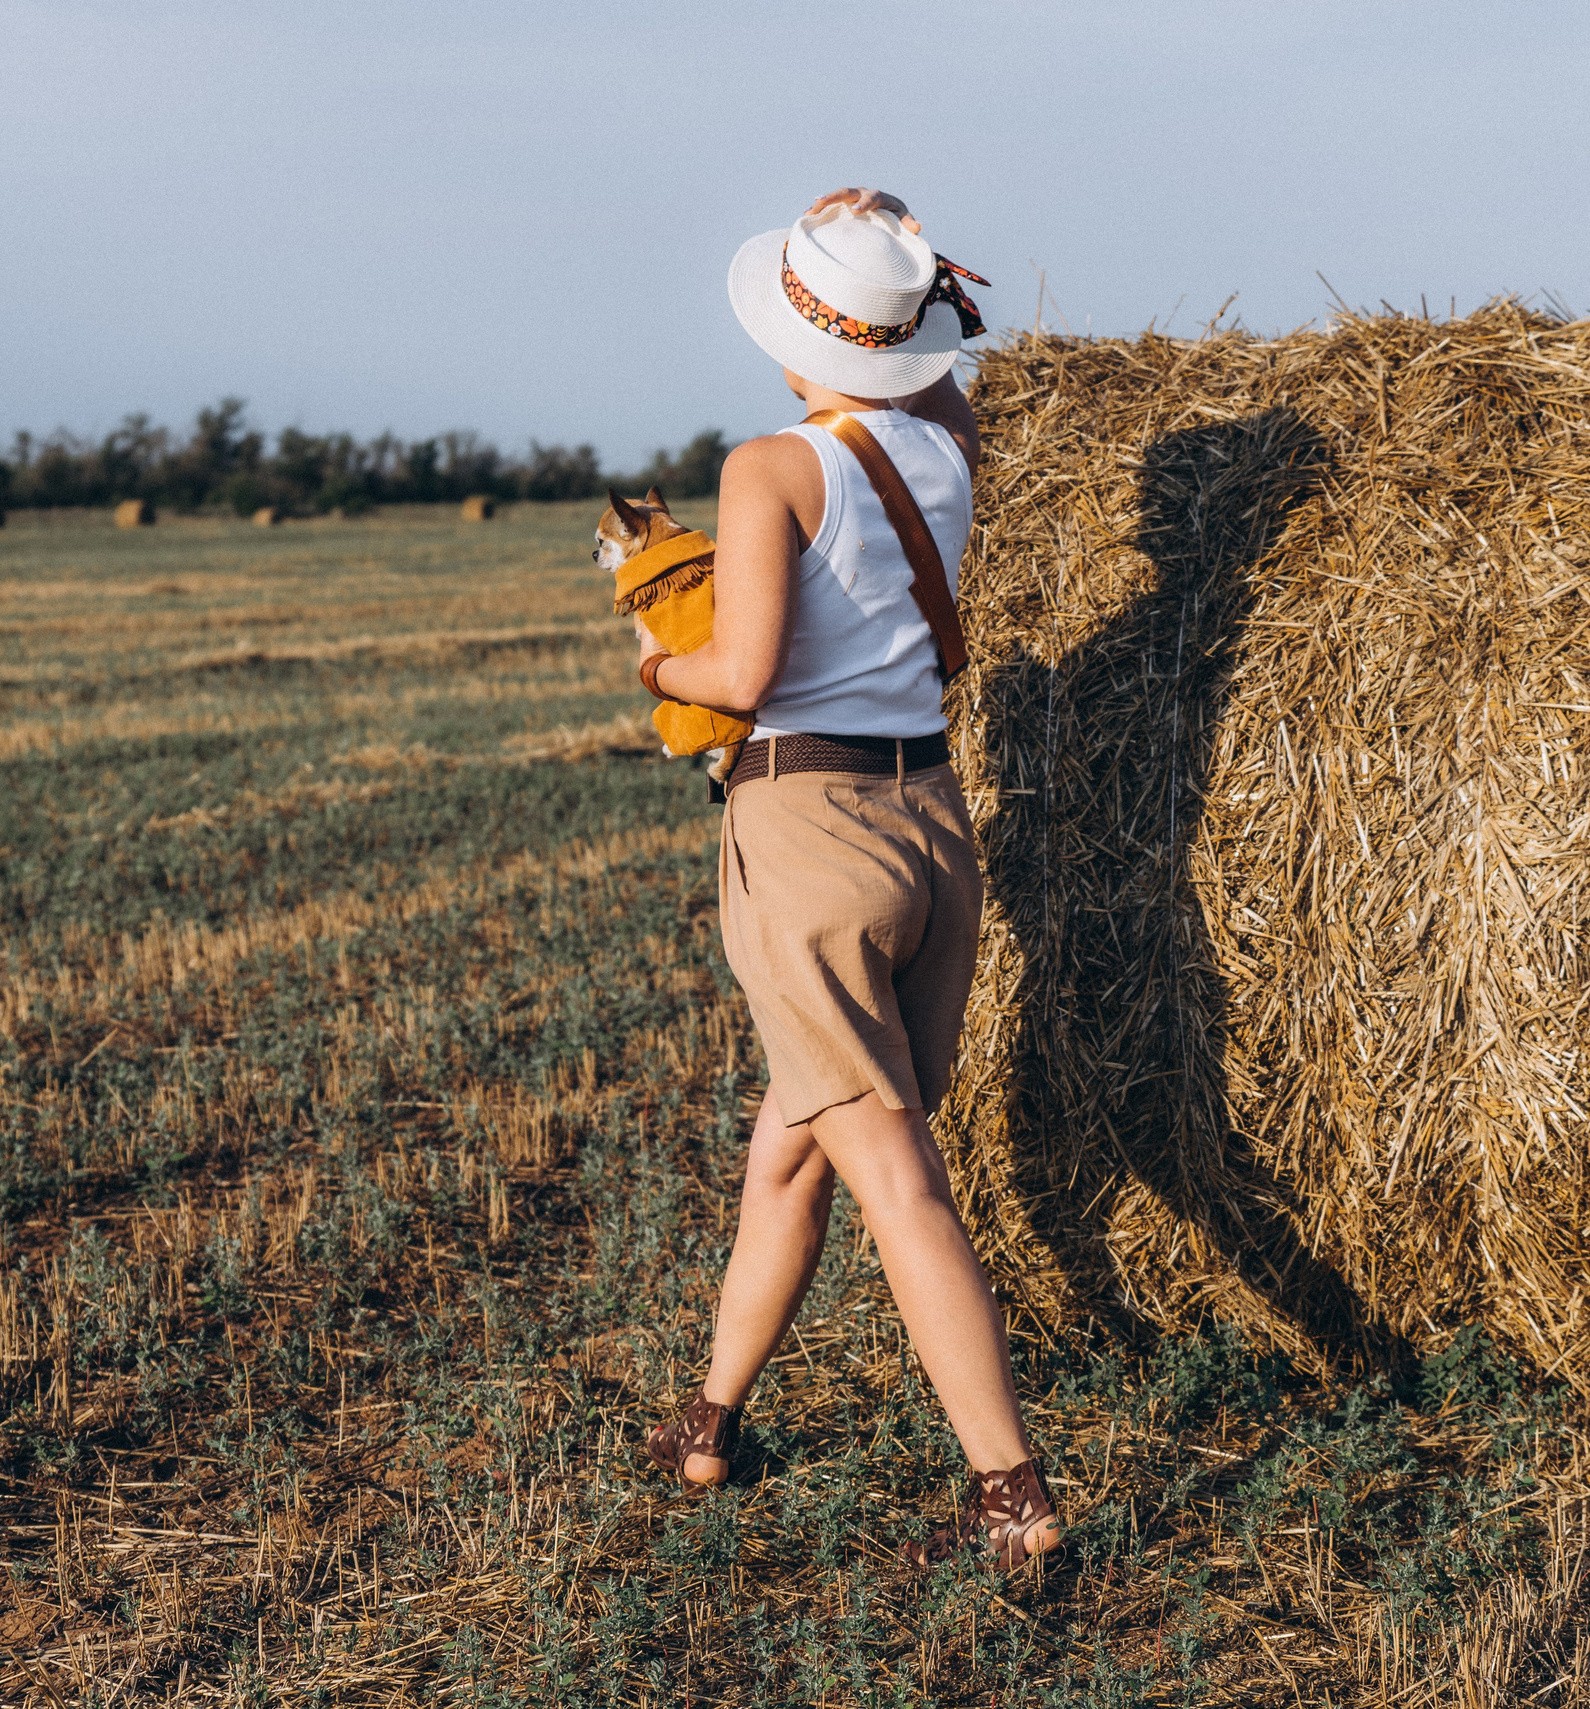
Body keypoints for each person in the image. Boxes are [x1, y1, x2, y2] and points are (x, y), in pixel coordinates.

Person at [634, 187, 1062, 1570]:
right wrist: (896, 269)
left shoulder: (768, 467)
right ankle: (708, 1423)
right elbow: (935, 384)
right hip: (931, 827)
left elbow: (743, 671)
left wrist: (654, 659)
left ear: (792, 332)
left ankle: (1011, 1496)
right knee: (798, 1137)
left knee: (897, 1177)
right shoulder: (947, 449)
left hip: (809, 836)